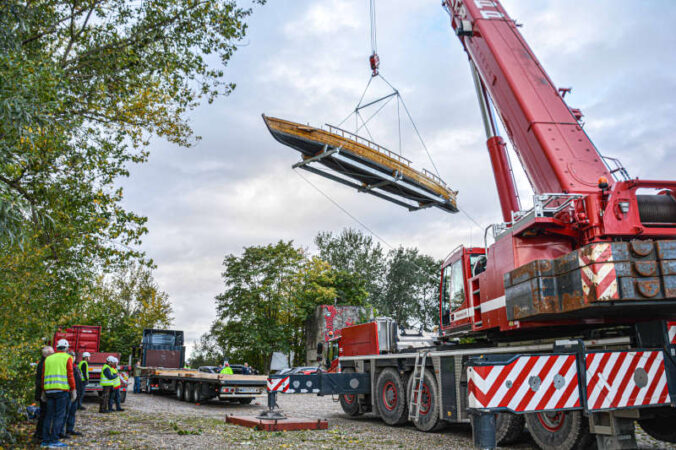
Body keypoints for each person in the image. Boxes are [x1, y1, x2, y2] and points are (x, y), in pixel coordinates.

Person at [41, 339, 76, 448]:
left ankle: (45, 441)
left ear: (57, 347)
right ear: (66, 348)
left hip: (49, 391)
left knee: (48, 416)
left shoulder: (48, 359)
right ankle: (54, 440)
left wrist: (43, 391)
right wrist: (73, 390)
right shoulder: (67, 358)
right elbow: (70, 375)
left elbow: (43, 376)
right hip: (61, 391)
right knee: (59, 416)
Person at [61, 351, 84, 439]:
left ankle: (70, 429)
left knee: (72, 413)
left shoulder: (76, 367)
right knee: (65, 413)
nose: (73, 357)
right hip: (69, 393)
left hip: (76, 393)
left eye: (74, 356)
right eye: (71, 356)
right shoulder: (67, 367)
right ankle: (62, 431)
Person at [34, 346, 54, 443]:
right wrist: (43, 392)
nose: (53, 355)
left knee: (44, 413)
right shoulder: (44, 364)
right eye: (51, 353)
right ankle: (40, 433)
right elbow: (41, 380)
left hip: (41, 392)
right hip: (43, 392)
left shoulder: (43, 363)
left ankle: (39, 432)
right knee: (45, 413)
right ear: (47, 354)